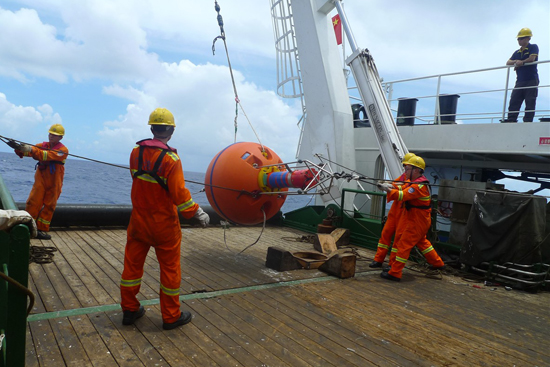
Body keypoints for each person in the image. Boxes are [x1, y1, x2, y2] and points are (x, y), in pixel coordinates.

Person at [120, 107, 210, 330]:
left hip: (139, 222)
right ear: (171, 131)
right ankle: (171, 316)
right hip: (164, 226)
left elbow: (137, 178)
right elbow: (180, 196)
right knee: (169, 271)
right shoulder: (171, 159)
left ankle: (129, 310)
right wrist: (197, 213)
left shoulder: (135, 152)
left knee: (131, 268)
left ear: (151, 128)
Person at [377, 156, 445, 281]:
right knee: (423, 243)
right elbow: (402, 188)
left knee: (403, 245)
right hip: (419, 220)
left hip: (416, 221)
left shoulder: (419, 186)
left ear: (416, 170)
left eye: (407, 169)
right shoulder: (413, 182)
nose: (405, 171)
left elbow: (403, 195)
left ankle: (395, 273)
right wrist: (390, 186)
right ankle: (438, 263)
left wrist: (388, 189)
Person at [7, 124, 68, 240]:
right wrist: (18, 148)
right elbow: (29, 152)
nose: (51, 136)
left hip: (55, 181)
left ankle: (41, 229)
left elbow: (46, 155)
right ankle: (28, 226)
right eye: (50, 134)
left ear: (60, 138)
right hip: (41, 178)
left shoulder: (63, 150)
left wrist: (31, 149)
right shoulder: (42, 145)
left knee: (50, 205)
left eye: (55, 135)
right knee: (33, 201)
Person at [369, 152, 416, 268]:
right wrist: (386, 184)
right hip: (395, 209)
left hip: (404, 211)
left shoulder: (415, 181)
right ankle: (378, 259)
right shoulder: (404, 177)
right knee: (385, 233)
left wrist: (390, 187)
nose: (405, 168)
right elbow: (396, 183)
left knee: (398, 239)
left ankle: (392, 264)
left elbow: (404, 188)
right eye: (404, 166)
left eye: (407, 166)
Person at [503, 28, 539, 123]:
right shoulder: (517, 52)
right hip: (520, 81)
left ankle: (527, 121)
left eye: (522, 38)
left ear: (528, 38)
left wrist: (521, 62)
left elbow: (532, 58)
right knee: (515, 100)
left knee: (530, 101)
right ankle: (511, 120)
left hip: (531, 79)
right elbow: (508, 62)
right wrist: (516, 61)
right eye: (518, 39)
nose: (519, 40)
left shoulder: (533, 47)